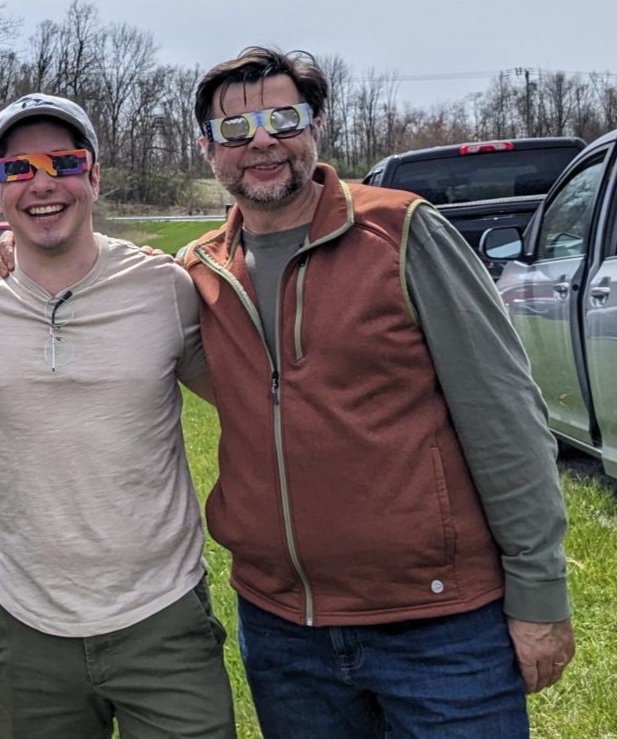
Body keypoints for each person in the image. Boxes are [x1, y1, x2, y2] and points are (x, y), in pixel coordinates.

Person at [180, 47, 572, 737]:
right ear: (209, 149)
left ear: (316, 124)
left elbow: (504, 416)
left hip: (440, 628)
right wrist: (6, 256)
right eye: (235, 130)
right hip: (283, 631)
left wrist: (538, 591)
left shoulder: (401, 232)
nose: (262, 140)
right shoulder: (203, 271)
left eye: (282, 117)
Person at [0, 94, 235, 738]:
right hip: (31, 631)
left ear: (94, 175)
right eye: (18, 170)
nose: (42, 183)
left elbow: (250, 397)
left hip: (162, 617)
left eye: (62, 161)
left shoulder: (162, 288)